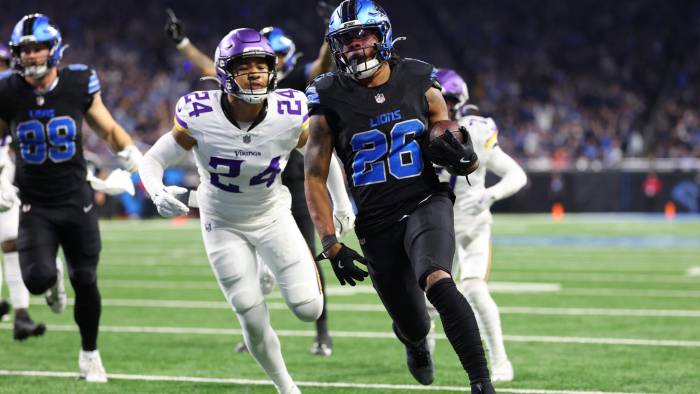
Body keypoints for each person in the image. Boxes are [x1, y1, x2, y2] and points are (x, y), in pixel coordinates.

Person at [139, 28, 352, 394]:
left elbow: (321, 156)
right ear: (224, 73)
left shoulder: (289, 110)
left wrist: (342, 201)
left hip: (272, 216)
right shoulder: (199, 113)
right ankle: (286, 387)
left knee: (309, 308)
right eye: (244, 65)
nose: (255, 72)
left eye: (261, 64)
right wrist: (155, 190)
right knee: (250, 316)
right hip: (222, 223)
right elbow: (153, 159)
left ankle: (269, 265)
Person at [303, 1, 494, 392]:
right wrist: (330, 242)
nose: (356, 47)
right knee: (413, 324)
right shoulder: (327, 96)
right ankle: (415, 343)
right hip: (376, 222)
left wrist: (464, 155)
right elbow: (314, 176)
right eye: (347, 40)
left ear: (384, 35)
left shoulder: (419, 77)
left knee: (438, 279)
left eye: (364, 36)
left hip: (425, 201)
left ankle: (481, 383)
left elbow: (449, 138)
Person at [0, 14, 143, 382]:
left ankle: (90, 354)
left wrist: (137, 163)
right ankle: (52, 275)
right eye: (24, 50)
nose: (31, 56)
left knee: (87, 280)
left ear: (54, 48)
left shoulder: (78, 81)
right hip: (35, 204)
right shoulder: (7, 90)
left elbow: (108, 128)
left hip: (76, 199)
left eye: (37, 48)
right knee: (37, 279)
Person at [426, 68, 527, 383]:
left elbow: (516, 175)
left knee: (474, 289)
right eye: (440, 98)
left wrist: (488, 195)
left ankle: (501, 361)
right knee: (427, 299)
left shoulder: (477, 130)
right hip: (438, 225)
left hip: (472, 226)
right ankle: (423, 355)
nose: (446, 105)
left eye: (451, 99)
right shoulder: (417, 130)